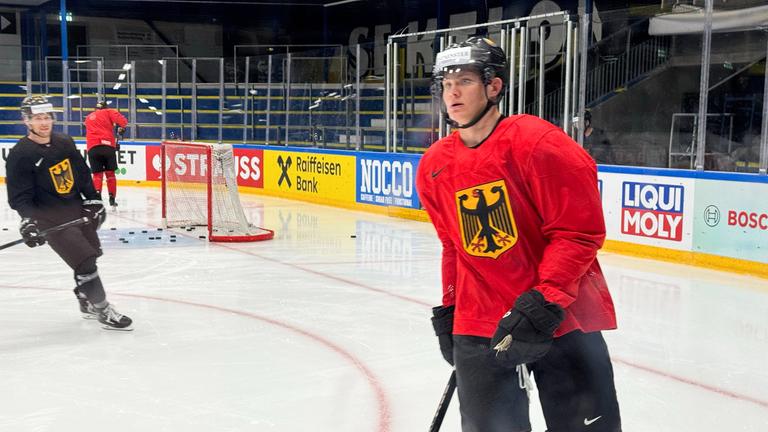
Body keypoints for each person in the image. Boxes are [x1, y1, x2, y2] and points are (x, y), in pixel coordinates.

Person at [416, 37, 621, 432]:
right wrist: (452, 307)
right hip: (480, 320)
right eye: (446, 84)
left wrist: (545, 301)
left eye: (465, 81)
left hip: (559, 315)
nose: (452, 93)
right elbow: (454, 246)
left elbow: (577, 232)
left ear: (494, 86)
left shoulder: (539, 144)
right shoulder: (434, 165)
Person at [5, 95, 132, 330]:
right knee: (84, 261)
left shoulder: (64, 142)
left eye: (47, 117)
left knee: (91, 254)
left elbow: (82, 173)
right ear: (26, 121)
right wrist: (29, 220)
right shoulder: (20, 154)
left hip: (76, 209)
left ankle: (85, 298)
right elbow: (19, 196)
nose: (44, 123)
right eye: (37, 118)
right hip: (49, 218)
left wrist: (93, 199)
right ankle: (103, 309)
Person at [84, 99, 128, 207]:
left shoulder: (88, 117)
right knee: (110, 174)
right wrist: (122, 128)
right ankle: (112, 198)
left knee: (97, 175)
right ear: (105, 107)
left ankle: (97, 197)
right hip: (107, 147)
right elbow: (123, 121)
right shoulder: (108, 112)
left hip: (92, 148)